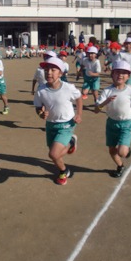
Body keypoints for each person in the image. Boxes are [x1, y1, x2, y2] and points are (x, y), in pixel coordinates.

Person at [94, 60, 131, 178]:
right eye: (117, 72)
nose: (120, 75)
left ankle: (126, 150)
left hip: (126, 124)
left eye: (124, 73)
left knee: (122, 152)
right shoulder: (107, 91)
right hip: (111, 124)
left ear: (128, 76)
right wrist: (105, 102)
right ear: (112, 74)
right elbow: (96, 110)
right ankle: (120, 166)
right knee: (112, 150)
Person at [34, 56, 83, 185]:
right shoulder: (41, 90)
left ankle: (63, 171)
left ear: (60, 73)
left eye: (53, 70)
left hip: (67, 124)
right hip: (51, 125)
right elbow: (38, 107)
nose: (48, 72)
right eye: (46, 70)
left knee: (53, 154)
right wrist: (41, 114)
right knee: (56, 154)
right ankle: (70, 147)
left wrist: (79, 114)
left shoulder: (68, 88)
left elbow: (79, 98)